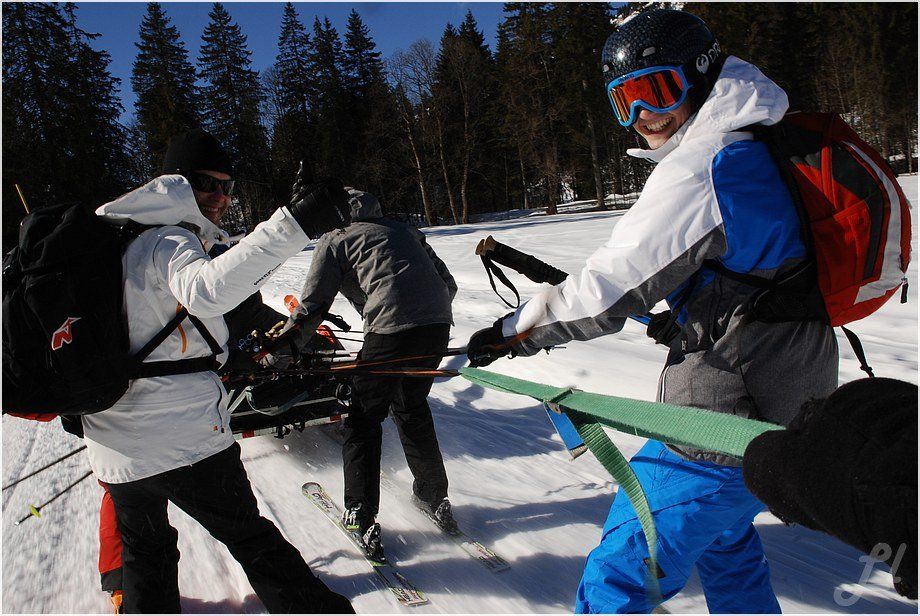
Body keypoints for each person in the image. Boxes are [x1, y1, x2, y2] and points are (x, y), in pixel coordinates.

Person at [467, 8, 837, 614]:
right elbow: (760, 274)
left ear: (701, 75)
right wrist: (697, 312)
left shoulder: (705, 165)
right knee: (726, 544)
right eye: (625, 100)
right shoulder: (759, 145)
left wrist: (512, 334)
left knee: (619, 574)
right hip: (788, 401)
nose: (643, 115)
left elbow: (608, 290)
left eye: (657, 90)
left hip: (718, 420)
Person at [82, 128, 355, 613]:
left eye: (228, 186)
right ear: (175, 181)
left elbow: (156, 333)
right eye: (207, 184)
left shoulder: (118, 244)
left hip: (115, 447)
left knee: (146, 553)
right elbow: (206, 291)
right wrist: (295, 223)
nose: (221, 197)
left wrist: (230, 355)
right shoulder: (169, 238)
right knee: (249, 536)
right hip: (183, 439)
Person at [278, 189, 458, 560]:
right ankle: (433, 496)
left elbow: (312, 306)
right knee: (411, 407)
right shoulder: (402, 229)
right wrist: (416, 316)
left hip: (391, 329)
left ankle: (360, 514)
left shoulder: (335, 239)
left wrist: (280, 351)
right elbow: (448, 283)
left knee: (362, 418)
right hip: (437, 325)